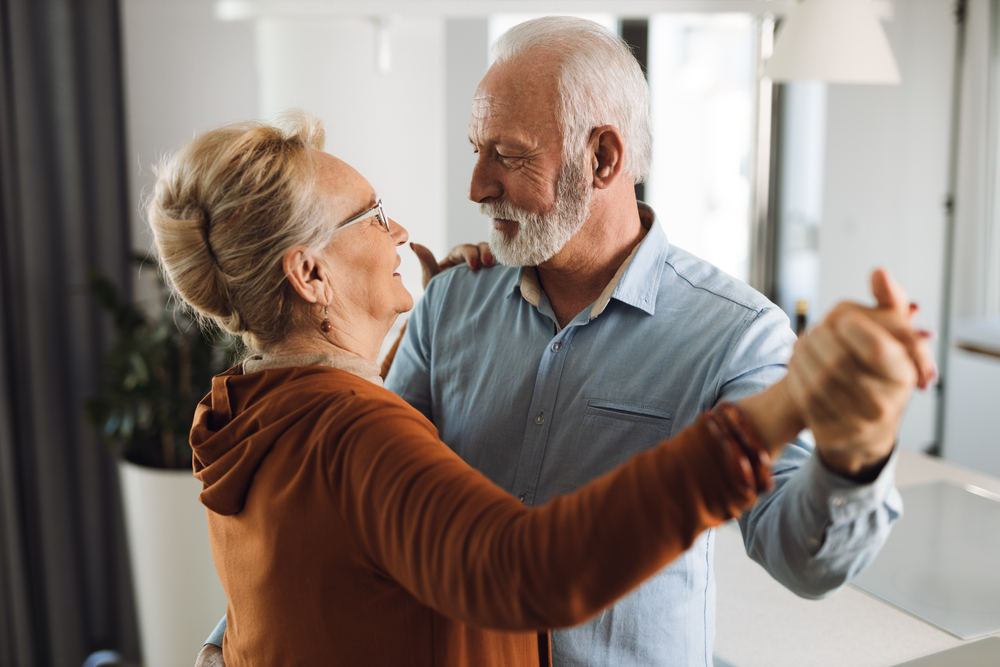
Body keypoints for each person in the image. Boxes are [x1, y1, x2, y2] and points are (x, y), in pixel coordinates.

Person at [196, 18, 934, 667]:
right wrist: (243, 634)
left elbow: (803, 558)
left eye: (506, 155)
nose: (475, 186)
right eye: (476, 149)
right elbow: (359, 508)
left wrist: (854, 455)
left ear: (604, 159)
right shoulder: (452, 300)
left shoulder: (734, 334)